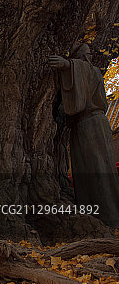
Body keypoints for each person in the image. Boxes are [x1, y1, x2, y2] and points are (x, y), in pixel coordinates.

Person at [49, 43, 119, 227]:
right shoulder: (89, 71)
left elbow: (85, 70)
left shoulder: (91, 71)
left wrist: (66, 65)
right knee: (85, 171)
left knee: (98, 168)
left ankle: (108, 216)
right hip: (84, 126)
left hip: (91, 125)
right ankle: (96, 212)